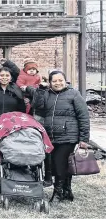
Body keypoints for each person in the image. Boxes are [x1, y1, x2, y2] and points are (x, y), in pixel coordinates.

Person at [28, 71, 90, 202]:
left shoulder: (74, 94)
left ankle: (58, 192)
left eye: (60, 80)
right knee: (59, 164)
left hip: (68, 136)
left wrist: (84, 139)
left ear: (65, 80)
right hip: (50, 136)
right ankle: (67, 190)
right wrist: (41, 89)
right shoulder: (46, 94)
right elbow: (37, 106)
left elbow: (83, 116)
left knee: (59, 163)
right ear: (50, 82)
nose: (58, 83)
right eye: (54, 81)